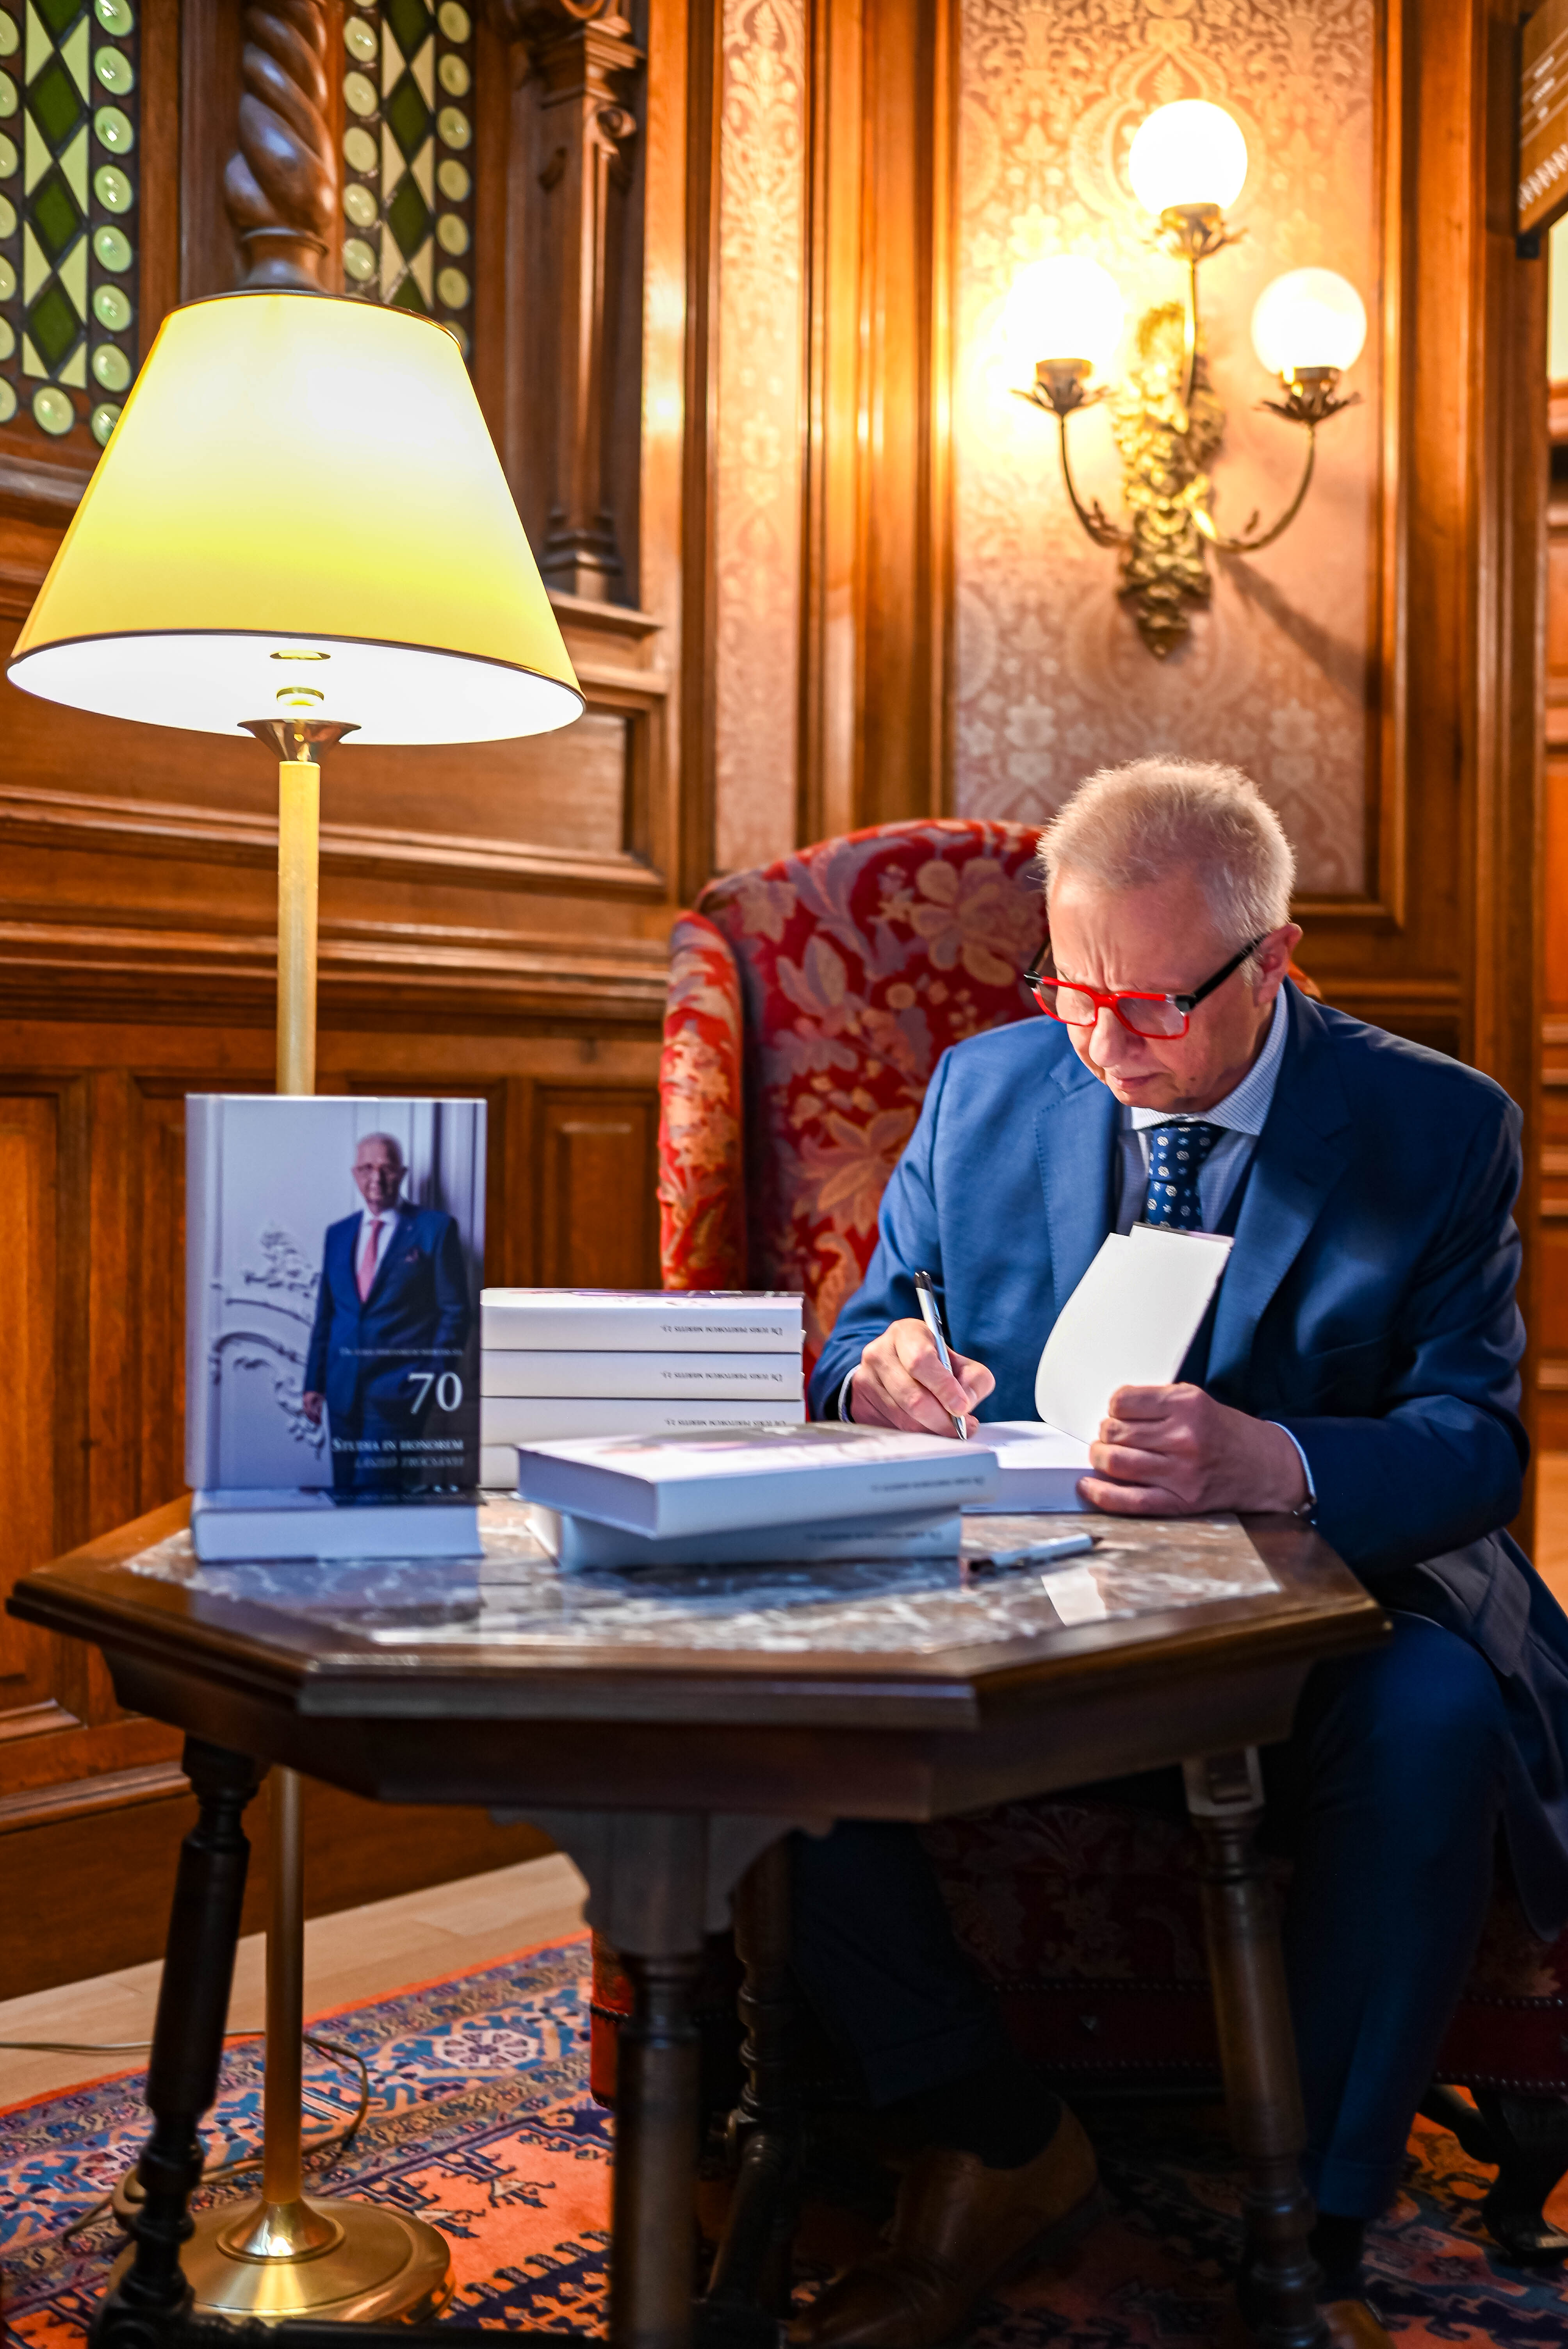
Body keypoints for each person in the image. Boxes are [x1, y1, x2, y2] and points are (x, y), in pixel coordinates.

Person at [792, 757, 1568, 2349]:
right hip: (1016, 1604)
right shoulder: (986, 1089)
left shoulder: (1433, 1126)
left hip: (1309, 1621)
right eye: (1071, 991)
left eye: (1149, 1005)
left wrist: (1272, 1460)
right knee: (758, 1691)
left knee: (1431, 1712)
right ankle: (992, 2129)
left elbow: (1473, 1440)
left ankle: (1313, 2235)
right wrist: (875, 1373)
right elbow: (865, 1324)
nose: (1102, 1044)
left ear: (1272, 959)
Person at [302, 1132, 471, 1494]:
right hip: (342, 1392)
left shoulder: (435, 1229)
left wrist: (429, 1379)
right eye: (366, 1168)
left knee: (377, 1500)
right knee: (345, 1495)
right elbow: (327, 1313)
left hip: (400, 1394)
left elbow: (456, 1312)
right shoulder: (338, 1234)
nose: (376, 1178)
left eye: (386, 1168)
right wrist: (314, 1382)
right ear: (355, 1174)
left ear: (402, 1173)